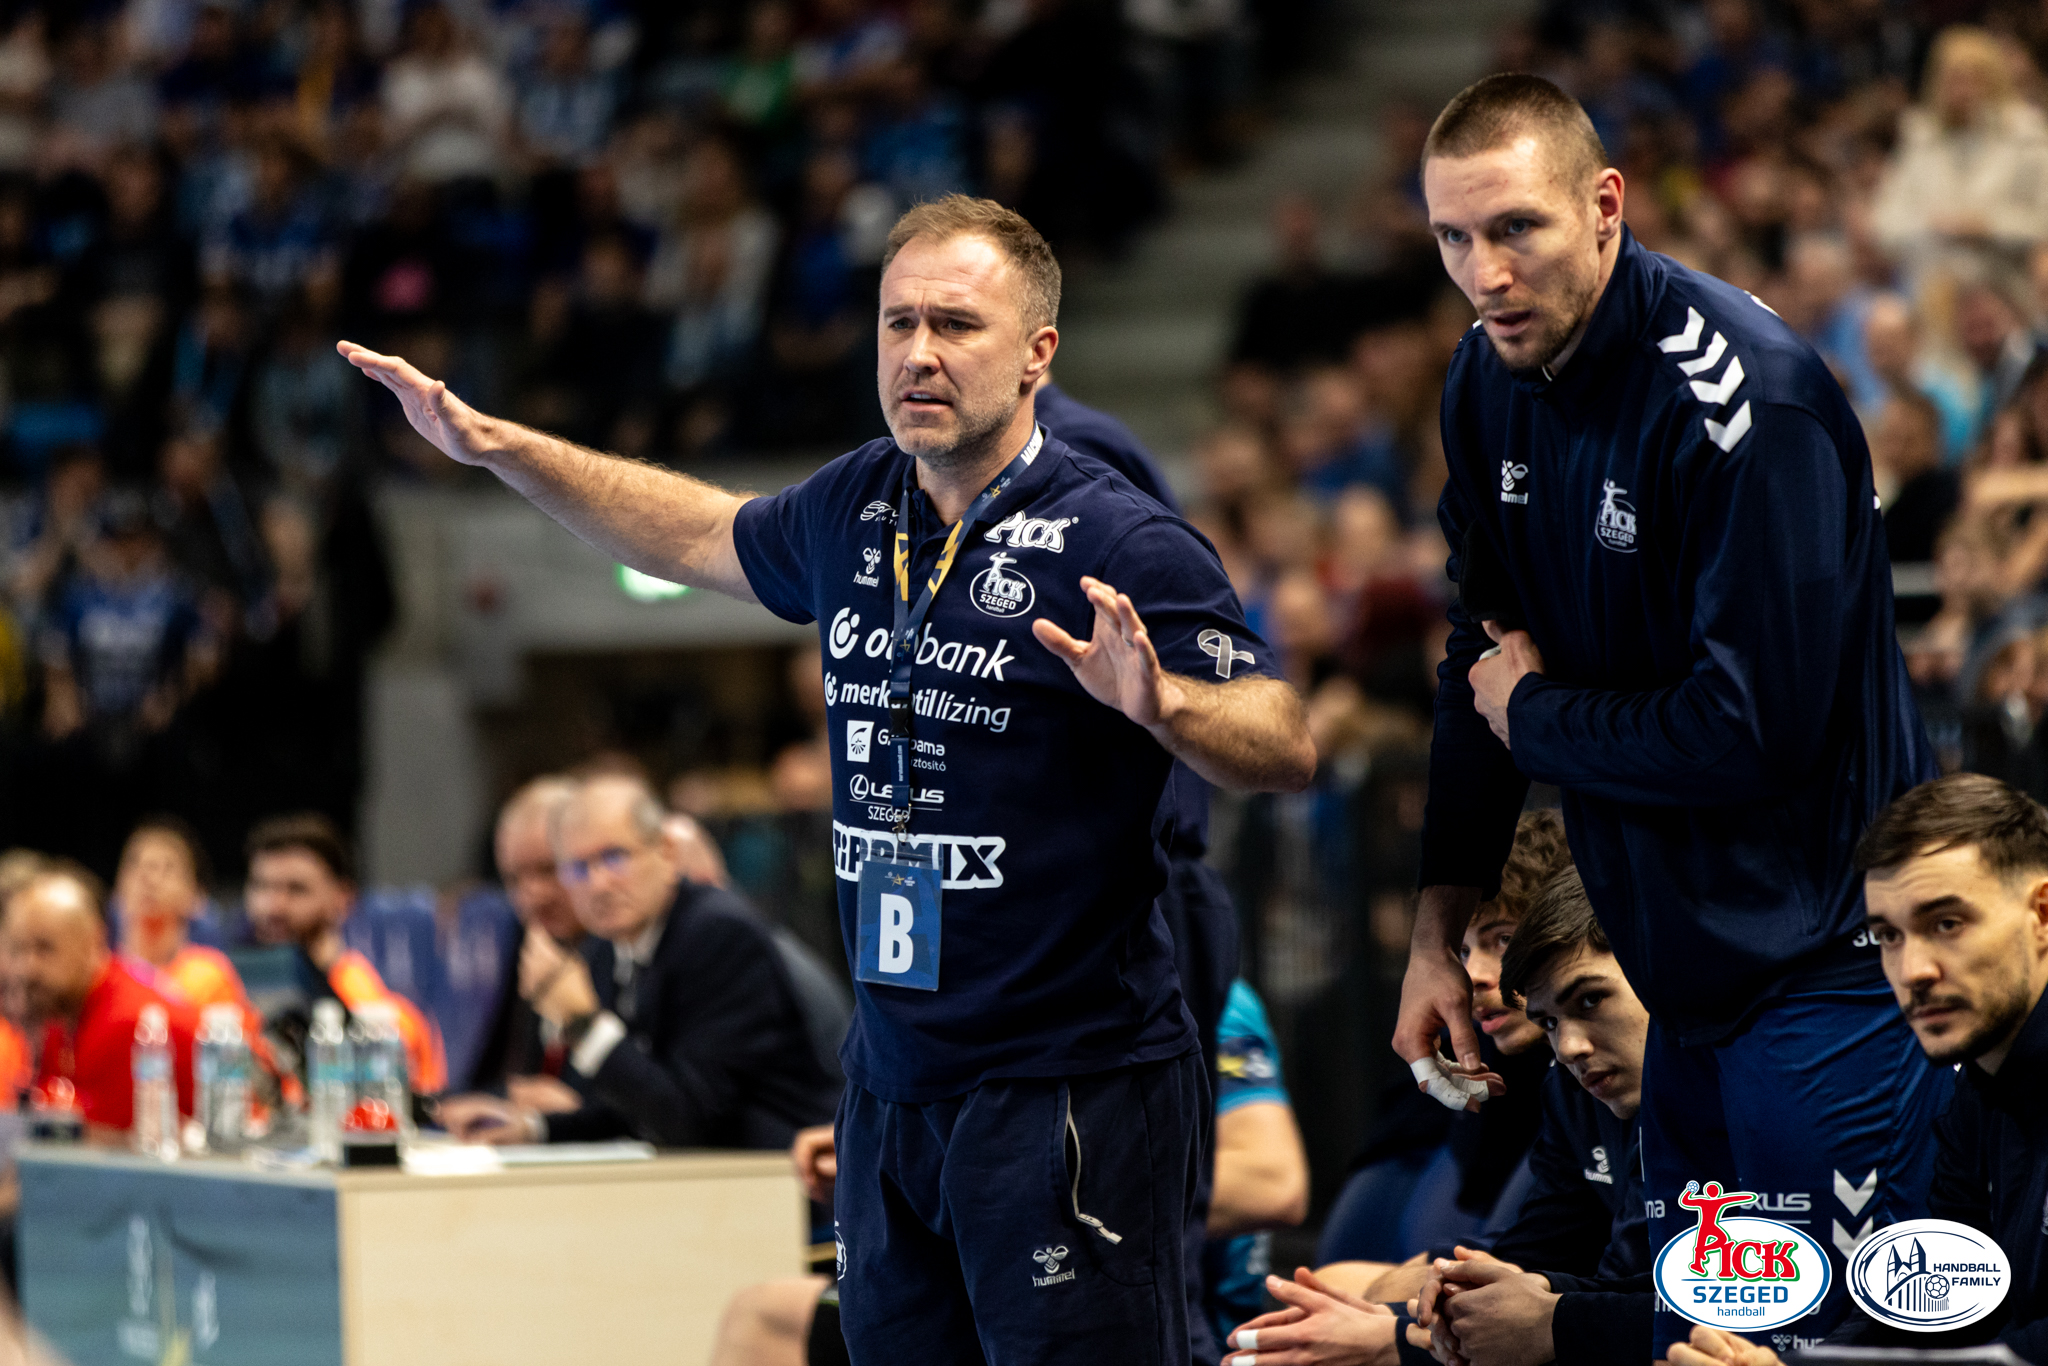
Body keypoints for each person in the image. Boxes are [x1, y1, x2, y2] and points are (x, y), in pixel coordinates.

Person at [341, 191, 1315, 1364]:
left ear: (1037, 353)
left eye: (955, 325)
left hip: (1065, 1086)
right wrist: (501, 448)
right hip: (891, 1085)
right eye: (898, 323)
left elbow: (1283, 740)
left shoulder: (1119, 537)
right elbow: (690, 529)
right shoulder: (856, 504)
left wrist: (1166, 705)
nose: (918, 353)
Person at [1397, 73, 1943, 1354]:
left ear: (1604, 205)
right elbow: (1474, 664)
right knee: (1688, 1345)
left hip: (1823, 974)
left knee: (1825, 1350)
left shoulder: (1749, 402)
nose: (1484, 274)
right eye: (1452, 239)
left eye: (1514, 228)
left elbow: (1751, 731)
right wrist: (1435, 929)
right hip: (1677, 993)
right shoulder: (1482, 380)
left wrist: (1537, 716)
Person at [1232, 865, 1650, 1366]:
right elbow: (1545, 1249)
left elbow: (1630, 1298)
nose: (1570, 1048)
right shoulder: (1565, 1085)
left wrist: (1397, 1336)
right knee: (1349, 1287)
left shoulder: (1694, 1089)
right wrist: (1443, 1296)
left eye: (1503, 940)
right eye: (1550, 1023)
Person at [437, 775, 839, 1149]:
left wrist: (582, 1023)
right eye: (577, 868)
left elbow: (690, 1119)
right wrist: (532, 1128)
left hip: (782, 1177)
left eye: (614, 857)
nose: (599, 884)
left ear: (666, 852)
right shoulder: (607, 949)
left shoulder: (717, 935)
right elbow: (633, 1112)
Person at [1319, 810, 1571, 1277]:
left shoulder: (1585, 1094)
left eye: (1504, 940)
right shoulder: (1460, 1081)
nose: (1473, 976)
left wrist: (1382, 1292)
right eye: (1463, 950)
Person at [244, 813, 447, 1095]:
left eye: (296, 889)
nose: (273, 906)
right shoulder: (234, 994)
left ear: (342, 898)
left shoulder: (379, 1016)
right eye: (261, 886)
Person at [9, 865, 195, 1138]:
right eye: (18, 949)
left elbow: (111, 1153)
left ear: (93, 941)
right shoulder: (61, 1012)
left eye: (44, 948)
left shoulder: (134, 1024)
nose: (27, 969)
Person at [462, 776, 584, 1099]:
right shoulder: (529, 948)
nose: (532, 896)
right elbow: (514, 1079)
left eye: (548, 870)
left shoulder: (627, 959)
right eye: (514, 879)